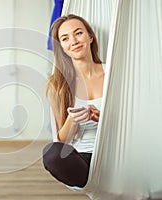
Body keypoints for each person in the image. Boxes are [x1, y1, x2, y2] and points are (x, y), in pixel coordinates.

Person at [42, 14, 104, 188]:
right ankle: (96, 184)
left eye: (78, 33)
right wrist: (73, 120)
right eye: (65, 38)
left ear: (90, 37)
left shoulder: (115, 75)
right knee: (51, 153)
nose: (74, 41)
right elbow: (61, 141)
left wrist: (103, 119)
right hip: (82, 159)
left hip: (117, 154)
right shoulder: (57, 85)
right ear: (62, 47)